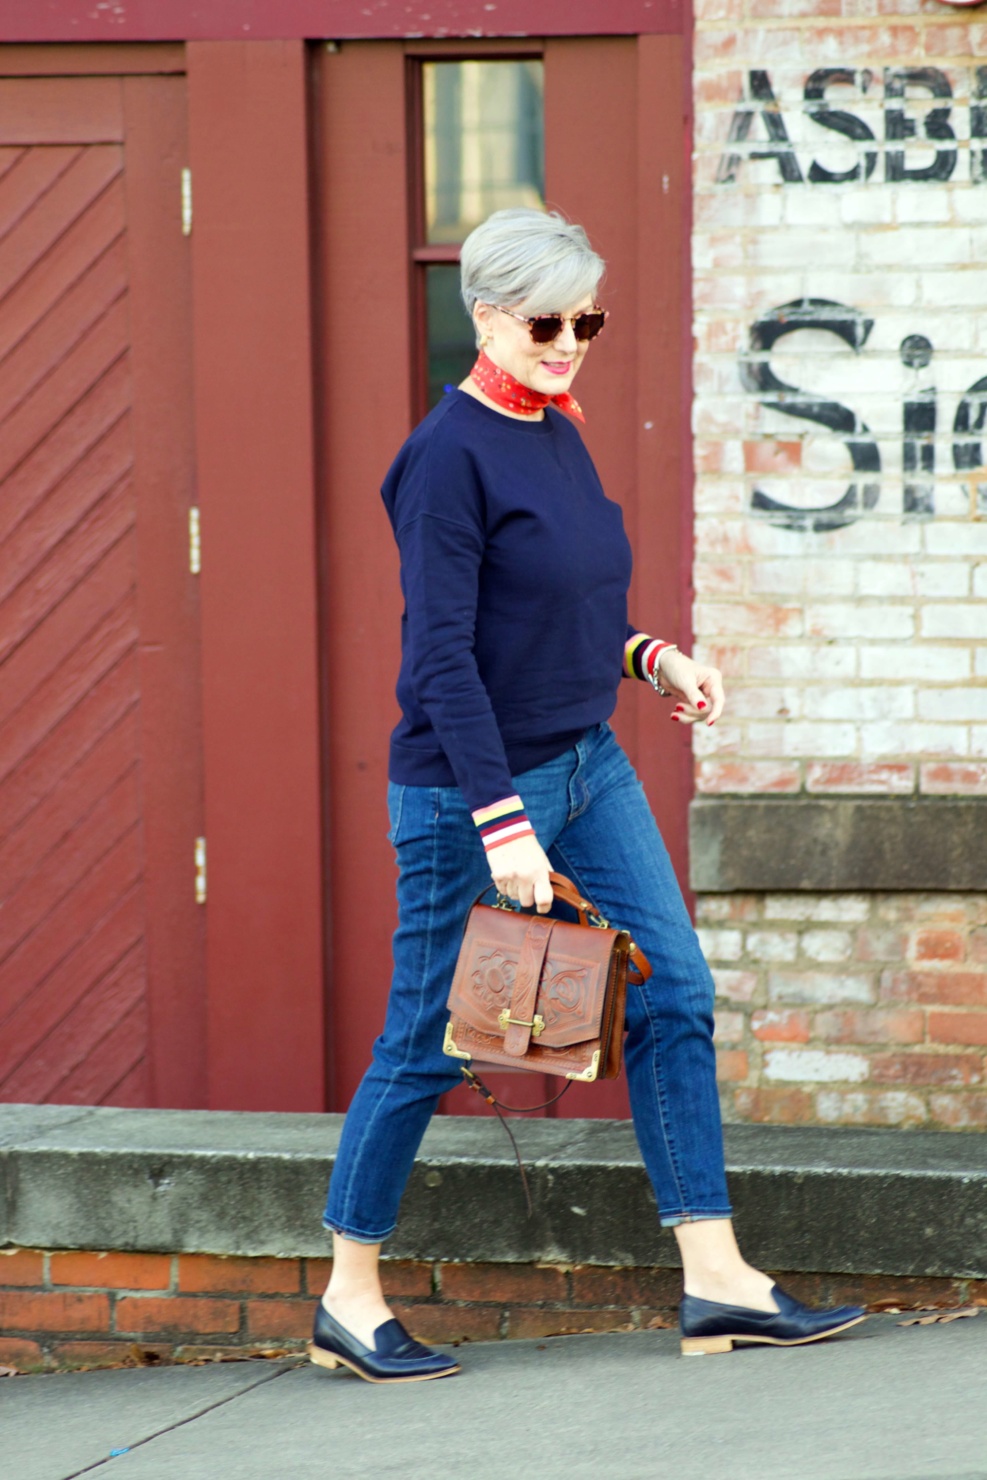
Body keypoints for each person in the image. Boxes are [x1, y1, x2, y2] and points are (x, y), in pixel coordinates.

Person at [309, 208, 866, 1383]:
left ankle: (715, 1279)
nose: (571, 342)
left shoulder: (556, 431)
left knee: (677, 989)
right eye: (547, 322)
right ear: (489, 317)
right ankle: (348, 1298)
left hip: (589, 758)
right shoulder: (445, 456)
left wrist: (652, 659)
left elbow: (562, 610)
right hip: (476, 788)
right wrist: (501, 820)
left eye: (587, 320)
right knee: (427, 1037)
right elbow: (442, 661)